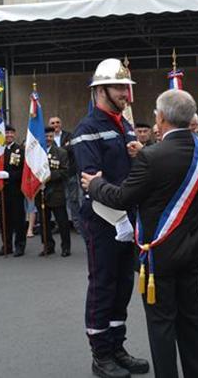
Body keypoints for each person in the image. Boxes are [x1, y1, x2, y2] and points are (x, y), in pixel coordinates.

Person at [82, 89, 198, 378]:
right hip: (192, 251)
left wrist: (95, 185)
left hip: (159, 256)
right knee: (193, 320)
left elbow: (122, 198)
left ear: (162, 117)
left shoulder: (151, 157)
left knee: (162, 325)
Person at [72, 58, 149, 378]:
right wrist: (120, 220)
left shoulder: (124, 124)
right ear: (100, 90)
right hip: (103, 221)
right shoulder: (86, 130)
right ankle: (100, 354)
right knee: (103, 286)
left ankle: (117, 346)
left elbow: (131, 174)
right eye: (120, 88)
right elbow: (93, 184)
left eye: (127, 88)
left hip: (126, 219)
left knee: (122, 286)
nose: (126, 94)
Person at [50, 116, 83, 238]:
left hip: (70, 173)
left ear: (61, 124)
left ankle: (78, 225)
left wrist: (58, 150)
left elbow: (73, 149)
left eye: (58, 122)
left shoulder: (69, 135)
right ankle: (59, 225)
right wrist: (64, 148)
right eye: (53, 123)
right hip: (55, 176)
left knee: (73, 200)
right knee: (57, 201)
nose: (55, 125)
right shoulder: (47, 137)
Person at [0, 125, 26, 255]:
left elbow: (24, 171)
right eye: (6, 133)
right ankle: (6, 246)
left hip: (16, 190)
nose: (8, 135)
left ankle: (20, 246)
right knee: (4, 220)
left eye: (10, 133)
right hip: (2, 190)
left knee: (18, 219)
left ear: (14, 134)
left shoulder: (20, 150)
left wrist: (10, 175)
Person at [42, 127, 71, 257]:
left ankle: (66, 247)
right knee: (44, 222)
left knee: (62, 222)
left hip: (56, 192)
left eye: (50, 136)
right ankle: (48, 246)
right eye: (46, 136)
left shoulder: (61, 152)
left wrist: (49, 176)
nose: (48, 139)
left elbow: (65, 172)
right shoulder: (36, 152)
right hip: (41, 192)